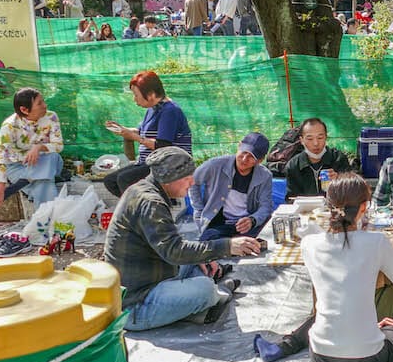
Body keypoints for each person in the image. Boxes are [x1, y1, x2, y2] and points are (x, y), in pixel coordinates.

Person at [282, 173, 393, 362]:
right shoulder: (376, 242)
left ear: (328, 206)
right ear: (364, 207)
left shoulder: (309, 243)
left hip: (320, 358)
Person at [104, 147, 261, 331]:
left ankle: (197, 305)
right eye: (187, 178)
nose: (192, 182)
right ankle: (216, 295)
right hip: (135, 304)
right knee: (205, 289)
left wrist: (201, 257)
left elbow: (171, 246)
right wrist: (228, 246)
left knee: (199, 261)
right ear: (169, 179)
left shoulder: (143, 189)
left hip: (152, 275)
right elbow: (174, 252)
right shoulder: (151, 203)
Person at [103, 71, 192, 197]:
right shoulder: (153, 109)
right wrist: (122, 130)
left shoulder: (170, 111)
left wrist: (134, 137)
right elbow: (141, 132)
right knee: (111, 181)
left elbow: (162, 146)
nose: (134, 99)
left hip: (170, 165)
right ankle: (139, 204)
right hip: (150, 163)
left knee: (125, 178)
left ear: (151, 94)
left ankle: (148, 205)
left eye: (136, 95)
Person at [0, 87, 64, 210]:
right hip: (18, 167)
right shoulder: (9, 126)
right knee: (43, 184)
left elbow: (58, 146)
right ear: (24, 110)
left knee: (53, 157)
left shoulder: (51, 116)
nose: (45, 105)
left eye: (43, 101)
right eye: (40, 103)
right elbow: (1, 158)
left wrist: (38, 148)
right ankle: (47, 218)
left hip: (46, 161)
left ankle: (24, 182)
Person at [190, 133, 273, 241]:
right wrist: (198, 210)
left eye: (251, 156)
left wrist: (252, 220)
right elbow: (192, 181)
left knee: (266, 239)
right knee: (209, 243)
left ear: (260, 160)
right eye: (243, 152)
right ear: (239, 146)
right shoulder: (215, 165)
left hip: (248, 226)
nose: (244, 159)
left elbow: (265, 206)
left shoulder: (265, 176)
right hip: (219, 224)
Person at [285, 118, 352, 198]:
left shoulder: (338, 159)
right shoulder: (293, 165)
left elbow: (352, 191)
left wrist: (339, 181)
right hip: (306, 206)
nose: (316, 143)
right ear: (301, 140)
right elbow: (291, 198)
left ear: (326, 137)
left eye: (320, 138)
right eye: (310, 139)